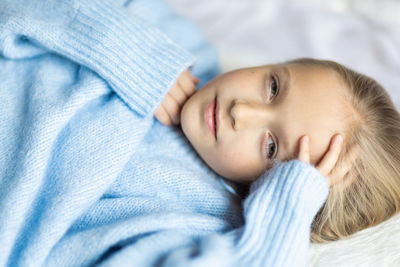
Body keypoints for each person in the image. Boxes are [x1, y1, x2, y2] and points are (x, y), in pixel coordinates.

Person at [0, 1, 399, 267]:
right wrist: (123, 44)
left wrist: (285, 213)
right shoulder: (182, 45)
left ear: (273, 187)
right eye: (273, 87)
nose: (242, 111)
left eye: (272, 146)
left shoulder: (202, 217)